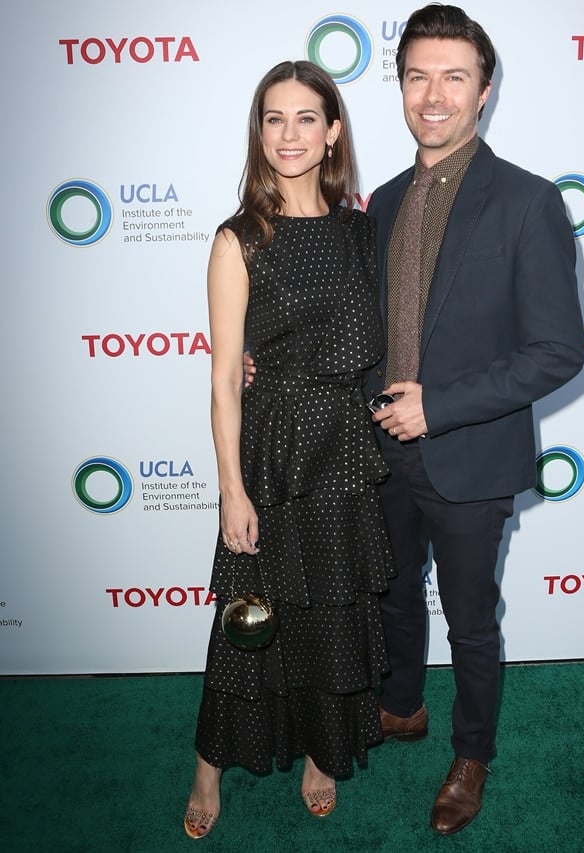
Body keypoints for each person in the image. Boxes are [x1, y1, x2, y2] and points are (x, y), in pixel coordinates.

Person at [364, 4, 584, 836]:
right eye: (418, 74)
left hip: (472, 456)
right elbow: (362, 327)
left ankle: (471, 753)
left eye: (454, 76)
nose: (434, 94)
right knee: (390, 597)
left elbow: (558, 351)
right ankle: (401, 705)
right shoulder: (381, 202)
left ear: (484, 91)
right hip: (383, 454)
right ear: (401, 86)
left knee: (470, 618)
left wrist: (441, 406)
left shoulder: (529, 203)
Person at [183, 59, 394, 839]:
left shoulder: (360, 230)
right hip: (269, 450)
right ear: (258, 132)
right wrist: (230, 489)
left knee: (332, 611)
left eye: (308, 117)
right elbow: (222, 379)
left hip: (342, 448)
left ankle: (321, 747)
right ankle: (208, 762)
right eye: (274, 118)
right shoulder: (239, 238)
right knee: (250, 615)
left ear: (333, 130)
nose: (290, 134)